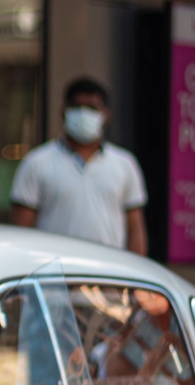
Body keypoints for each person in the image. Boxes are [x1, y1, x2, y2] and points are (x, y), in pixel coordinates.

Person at [10, 76, 148, 253]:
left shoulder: (124, 164)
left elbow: (135, 229)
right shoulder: (37, 162)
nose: (83, 114)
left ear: (105, 115)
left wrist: (135, 273)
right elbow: (21, 230)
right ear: (63, 111)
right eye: (77, 107)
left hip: (109, 271)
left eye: (92, 108)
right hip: (56, 271)